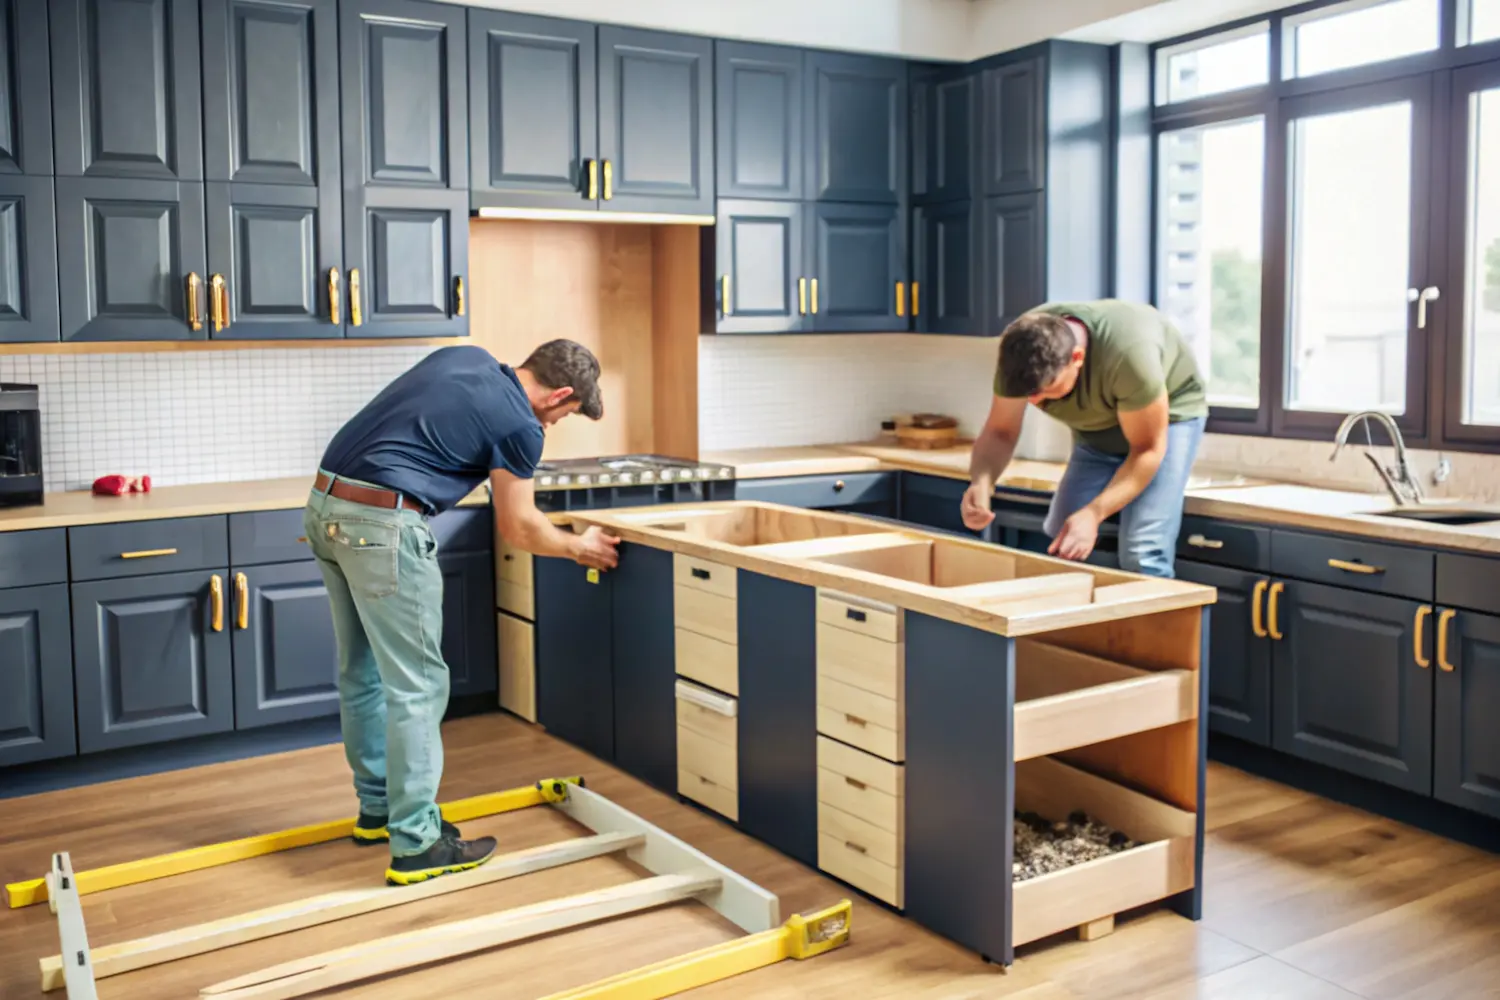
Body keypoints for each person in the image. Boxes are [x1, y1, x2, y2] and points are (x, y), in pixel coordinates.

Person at [302, 340, 621, 886]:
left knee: (364, 674)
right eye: (565, 415)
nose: (557, 425)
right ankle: (418, 843)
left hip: (327, 506)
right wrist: (577, 546)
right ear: (561, 393)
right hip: (384, 525)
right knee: (418, 686)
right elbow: (519, 527)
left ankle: (380, 810)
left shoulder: (465, 357)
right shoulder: (521, 424)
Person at [961, 300, 1208, 579]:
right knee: (1061, 535)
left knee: (1142, 549)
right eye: (1027, 393)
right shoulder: (1020, 351)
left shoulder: (1130, 357)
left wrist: (1094, 513)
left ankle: (1153, 622)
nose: (1033, 401)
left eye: (1046, 390)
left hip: (1169, 419)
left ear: (1076, 359)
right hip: (1096, 430)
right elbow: (1000, 431)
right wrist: (982, 481)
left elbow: (1147, 451)